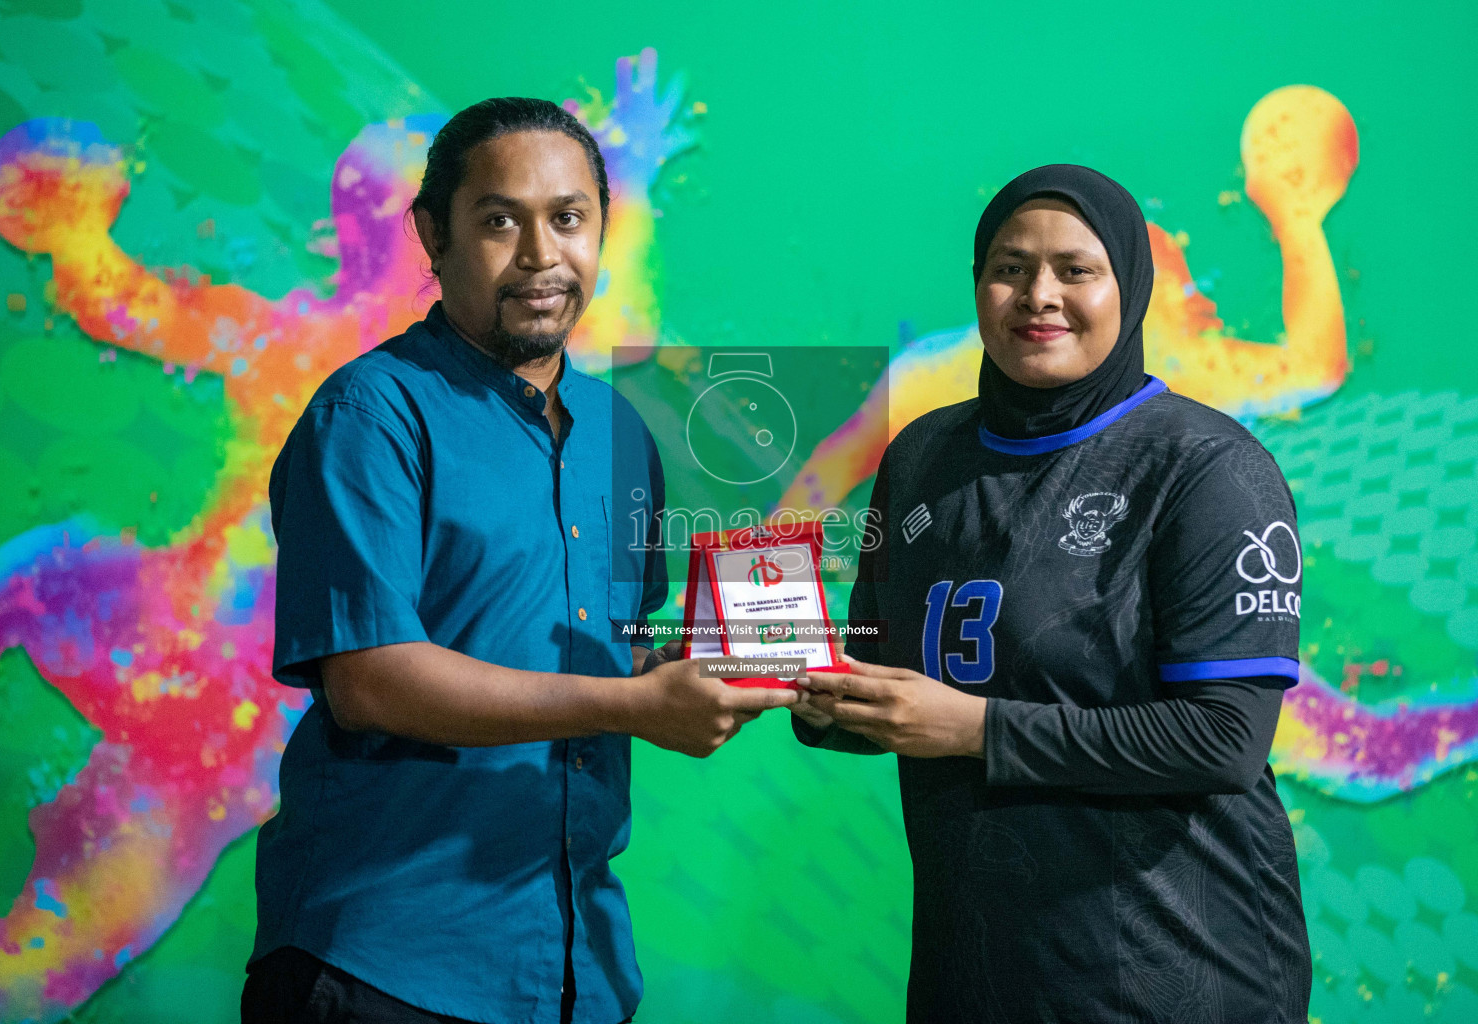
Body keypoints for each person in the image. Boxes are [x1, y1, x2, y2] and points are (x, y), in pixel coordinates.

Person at [242, 97, 797, 1024]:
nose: (541, 255)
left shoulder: (624, 432)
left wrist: (744, 664)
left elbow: (605, 649)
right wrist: (635, 703)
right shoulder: (371, 416)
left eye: (569, 219)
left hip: (580, 966)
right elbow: (372, 680)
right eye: (501, 220)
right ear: (433, 233)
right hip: (387, 965)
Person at [793, 164, 1311, 1022]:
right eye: (1010, 268)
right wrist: (774, 674)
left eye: (1076, 270)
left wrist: (976, 729)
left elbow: (1226, 742)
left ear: (1129, 288)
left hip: (1170, 978)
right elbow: (886, 688)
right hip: (979, 981)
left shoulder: (1208, 469)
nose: (1039, 295)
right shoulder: (922, 456)